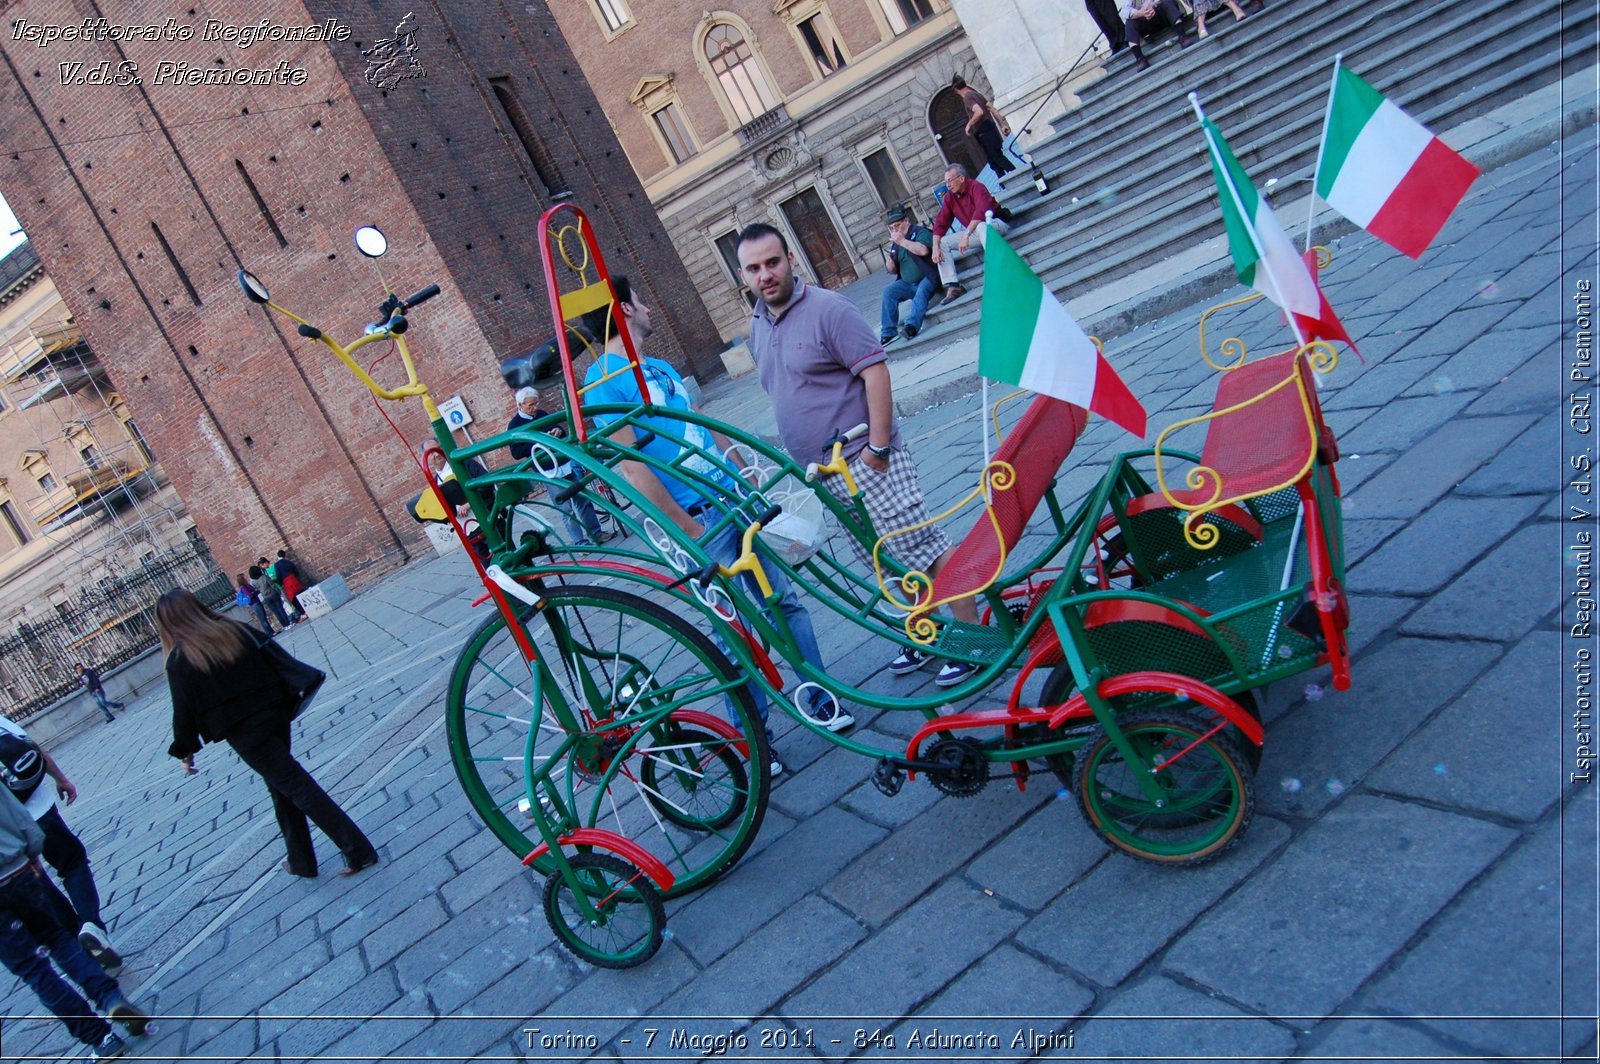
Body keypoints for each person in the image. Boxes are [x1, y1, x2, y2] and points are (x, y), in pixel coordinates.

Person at [581, 276, 849, 772]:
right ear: (622, 308)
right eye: (638, 299)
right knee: (733, 632)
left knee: (783, 602)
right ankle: (755, 739)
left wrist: (743, 470)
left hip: (734, 499)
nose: (646, 306)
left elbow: (701, 424)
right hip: (699, 518)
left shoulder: (658, 367)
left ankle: (819, 697)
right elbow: (634, 469)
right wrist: (687, 526)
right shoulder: (602, 381)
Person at [735, 223, 979, 687]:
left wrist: (880, 450)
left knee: (923, 547)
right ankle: (926, 631)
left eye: (772, 262)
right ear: (743, 277)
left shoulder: (828, 309)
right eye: (754, 268)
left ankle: (970, 637)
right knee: (884, 559)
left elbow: (876, 373)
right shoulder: (758, 325)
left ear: (790, 259)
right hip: (826, 474)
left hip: (867, 459)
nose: (765, 274)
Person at [158, 588, 379, 879]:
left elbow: (183, 712)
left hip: (244, 732)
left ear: (168, 623)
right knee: (282, 784)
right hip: (277, 713)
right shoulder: (234, 630)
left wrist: (185, 751)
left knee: (295, 784)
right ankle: (301, 861)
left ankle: (358, 850)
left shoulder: (180, 660)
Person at [0, 786, 150, 1062]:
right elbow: (17, 815)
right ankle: (111, 999)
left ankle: (101, 1039)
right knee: (59, 941)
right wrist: (32, 855)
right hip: (19, 870)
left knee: (34, 970)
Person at [0, 716, 122, 969]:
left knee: (38, 882)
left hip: (7, 827)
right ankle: (91, 924)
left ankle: (81, 942)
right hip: (39, 809)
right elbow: (35, 750)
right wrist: (61, 778)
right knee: (73, 862)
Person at [506, 386, 608, 545]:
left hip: (564, 462)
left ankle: (596, 534)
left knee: (583, 499)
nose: (534, 408)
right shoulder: (514, 425)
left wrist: (558, 431)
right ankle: (579, 542)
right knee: (566, 507)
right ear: (520, 405)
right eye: (530, 405)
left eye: (536, 403)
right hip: (548, 470)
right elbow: (516, 452)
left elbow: (560, 429)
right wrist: (537, 442)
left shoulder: (541, 414)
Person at [930, 163, 1011, 306]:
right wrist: (935, 246)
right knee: (941, 242)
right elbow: (941, 223)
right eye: (946, 182)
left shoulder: (976, 186)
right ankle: (954, 286)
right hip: (975, 232)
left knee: (980, 226)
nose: (947, 185)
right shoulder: (950, 197)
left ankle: (999, 270)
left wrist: (966, 235)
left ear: (961, 178)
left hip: (995, 224)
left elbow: (982, 211)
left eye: (950, 180)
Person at [879, 205, 939, 345]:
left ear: (907, 221)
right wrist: (889, 264)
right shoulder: (897, 243)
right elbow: (893, 270)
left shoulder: (920, 232)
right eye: (893, 227)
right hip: (907, 283)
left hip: (928, 276)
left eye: (898, 225)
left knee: (921, 291)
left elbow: (923, 250)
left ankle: (911, 326)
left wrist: (902, 241)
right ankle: (888, 332)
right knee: (888, 291)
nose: (896, 230)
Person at [950, 74, 1015, 183]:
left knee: (997, 159)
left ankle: (1018, 174)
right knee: (994, 161)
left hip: (984, 132)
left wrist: (969, 125)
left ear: (956, 90)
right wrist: (1002, 125)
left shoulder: (967, 98)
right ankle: (1005, 184)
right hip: (991, 128)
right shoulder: (977, 94)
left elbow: (978, 111)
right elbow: (992, 109)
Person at [1122, 0, 1192, 70]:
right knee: (1129, 22)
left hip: (1163, 14)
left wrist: (1153, 5)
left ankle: (1183, 37)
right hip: (1146, 21)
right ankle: (1140, 59)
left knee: (1168, 1)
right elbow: (1125, 11)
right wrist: (1143, 13)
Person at [250, 563, 290, 630]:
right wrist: (278, 591)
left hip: (266, 598)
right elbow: (272, 585)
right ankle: (288, 623)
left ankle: (284, 625)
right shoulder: (265, 577)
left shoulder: (254, 582)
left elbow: (257, 589)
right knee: (280, 609)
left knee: (276, 612)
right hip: (273, 594)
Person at [272, 550, 306, 617]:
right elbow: (296, 573)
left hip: (287, 582)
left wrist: (279, 583)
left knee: (293, 599)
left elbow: (279, 576)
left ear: (278, 556)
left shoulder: (276, 565)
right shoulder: (289, 562)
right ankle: (307, 608)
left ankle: (303, 613)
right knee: (301, 594)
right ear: (284, 555)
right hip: (294, 579)